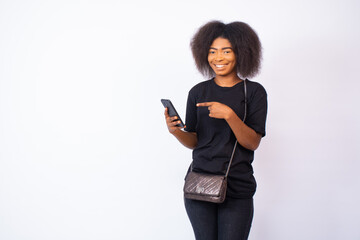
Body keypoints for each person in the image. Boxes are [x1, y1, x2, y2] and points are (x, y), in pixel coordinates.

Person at [164, 20, 267, 240]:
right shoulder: (198, 92)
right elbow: (194, 141)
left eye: (226, 51)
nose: (218, 58)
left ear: (241, 52)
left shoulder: (254, 93)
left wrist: (230, 115)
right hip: (199, 186)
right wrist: (176, 132)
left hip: (237, 188)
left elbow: (252, 143)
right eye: (212, 51)